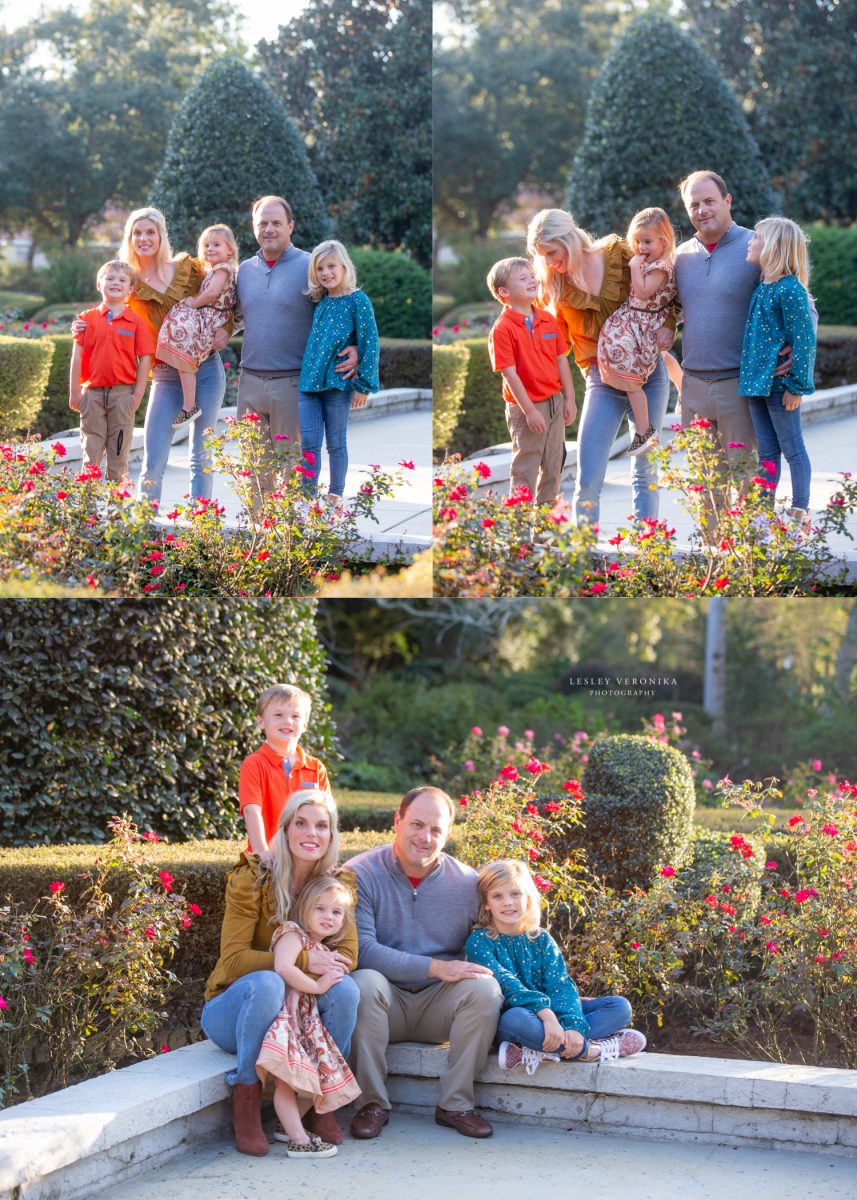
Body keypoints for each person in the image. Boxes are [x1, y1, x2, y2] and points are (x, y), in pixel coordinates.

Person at [201, 791, 359, 1156]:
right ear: (285, 829)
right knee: (269, 981)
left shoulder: (339, 885)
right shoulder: (252, 878)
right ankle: (247, 1102)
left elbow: (348, 953)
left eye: (322, 825)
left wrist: (325, 966)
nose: (311, 833)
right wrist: (304, 963)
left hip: (298, 1019)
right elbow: (234, 959)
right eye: (301, 823)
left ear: (333, 834)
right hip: (235, 1012)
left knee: (347, 990)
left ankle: (323, 1103)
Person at [342, 786, 503, 1140]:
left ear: (447, 835)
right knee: (362, 983)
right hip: (384, 1005)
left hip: (439, 1007)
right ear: (396, 821)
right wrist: (436, 967)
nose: (425, 837)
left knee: (485, 989)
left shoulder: (467, 884)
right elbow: (363, 950)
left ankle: (456, 1104)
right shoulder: (359, 875)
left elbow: (496, 942)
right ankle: (371, 1104)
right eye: (416, 824)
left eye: (436, 829)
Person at [527, 208, 674, 527]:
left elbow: (665, 291)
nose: (550, 261)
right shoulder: (554, 286)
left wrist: (671, 325)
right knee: (588, 475)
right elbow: (555, 345)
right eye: (544, 256)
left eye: (552, 252)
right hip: (601, 379)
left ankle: (647, 557)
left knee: (646, 469)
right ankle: (584, 558)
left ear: (568, 239)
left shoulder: (620, 254)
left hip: (647, 372)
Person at [674, 170, 818, 458]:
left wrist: (797, 349)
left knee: (745, 482)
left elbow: (803, 304)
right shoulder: (680, 257)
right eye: (694, 205)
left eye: (709, 201)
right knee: (703, 485)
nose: (702, 210)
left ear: (727, 200)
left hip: (741, 386)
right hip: (693, 386)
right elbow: (672, 313)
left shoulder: (757, 246)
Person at [465, 859, 646, 1074]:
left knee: (619, 1007)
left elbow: (560, 984)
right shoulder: (479, 941)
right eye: (497, 896)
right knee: (515, 1019)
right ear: (486, 903)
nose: (508, 902)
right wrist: (548, 1016)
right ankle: (592, 1050)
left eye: (515, 894)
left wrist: (572, 1025)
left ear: (528, 898)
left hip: (552, 1020)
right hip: (515, 1022)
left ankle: (537, 1051)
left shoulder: (540, 939)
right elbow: (507, 985)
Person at [235, 197, 358, 491]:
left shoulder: (309, 265)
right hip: (248, 380)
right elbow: (230, 317)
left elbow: (342, 306)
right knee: (252, 467)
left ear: (290, 226)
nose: (269, 229)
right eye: (262, 223)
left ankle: (291, 535)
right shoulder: (244, 271)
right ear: (254, 228)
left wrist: (354, 346)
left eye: (276, 223)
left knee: (291, 470)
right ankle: (255, 533)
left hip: (292, 382)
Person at [256, 874, 361, 1159]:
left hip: (306, 1021)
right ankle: (298, 1139)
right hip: (287, 1020)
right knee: (289, 1081)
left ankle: (287, 1126)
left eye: (336, 912)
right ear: (304, 909)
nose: (329, 916)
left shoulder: (323, 947)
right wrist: (316, 986)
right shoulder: (293, 934)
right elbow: (283, 967)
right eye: (320, 909)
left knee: (311, 1078)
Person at [740, 217, 817, 531]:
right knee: (767, 452)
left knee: (793, 449)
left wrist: (797, 385)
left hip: (779, 386)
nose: (749, 242)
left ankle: (800, 514)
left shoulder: (790, 289)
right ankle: (762, 516)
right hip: (756, 385)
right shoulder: (763, 287)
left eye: (755, 237)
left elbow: (804, 340)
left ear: (772, 246)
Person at [297, 240, 380, 512]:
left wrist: (364, 386)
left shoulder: (358, 301)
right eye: (319, 268)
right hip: (309, 383)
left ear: (344, 266)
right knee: (309, 442)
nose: (325, 273)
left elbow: (370, 342)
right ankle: (307, 498)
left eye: (331, 266)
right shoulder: (319, 301)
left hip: (338, 384)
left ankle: (335, 497)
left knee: (335, 441)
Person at [486, 257, 577, 506]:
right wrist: (529, 412)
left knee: (553, 466)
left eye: (531, 276)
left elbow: (561, 361)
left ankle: (544, 535)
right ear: (504, 292)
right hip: (526, 408)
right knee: (525, 469)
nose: (532, 280)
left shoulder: (548, 319)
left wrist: (569, 400)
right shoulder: (502, 329)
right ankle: (520, 540)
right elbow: (509, 373)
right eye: (523, 278)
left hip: (555, 404)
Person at [597, 208, 683, 457]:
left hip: (643, 324)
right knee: (655, 363)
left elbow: (644, 292)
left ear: (663, 241)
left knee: (631, 378)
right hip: (637, 319)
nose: (640, 247)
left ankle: (644, 430)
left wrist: (635, 266)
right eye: (637, 241)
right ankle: (681, 383)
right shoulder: (653, 261)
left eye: (647, 241)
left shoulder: (661, 267)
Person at [68, 260, 153, 484]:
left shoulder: (136, 322)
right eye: (110, 278)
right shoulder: (86, 319)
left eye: (122, 280)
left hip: (122, 396)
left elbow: (145, 359)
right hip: (92, 395)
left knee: (118, 456)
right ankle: (87, 515)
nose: (115, 283)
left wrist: (136, 396)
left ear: (130, 289)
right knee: (91, 455)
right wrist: (75, 392)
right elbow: (77, 355)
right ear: (99, 284)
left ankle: (117, 513)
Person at [155, 224, 239, 430]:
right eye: (206, 245)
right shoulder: (212, 270)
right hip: (210, 316)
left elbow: (211, 294)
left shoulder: (223, 269)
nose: (210, 248)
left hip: (211, 318)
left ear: (230, 250)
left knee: (185, 355)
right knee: (184, 357)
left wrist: (194, 303)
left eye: (216, 244)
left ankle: (189, 406)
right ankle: (188, 404)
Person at [239, 683, 330, 861]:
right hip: (269, 860)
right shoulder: (254, 764)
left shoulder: (316, 768)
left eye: (295, 716)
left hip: (307, 861)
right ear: (261, 722)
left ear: (304, 725)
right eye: (278, 715)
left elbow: (327, 817)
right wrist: (262, 853)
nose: (287, 721)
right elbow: (252, 812)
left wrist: (327, 859)